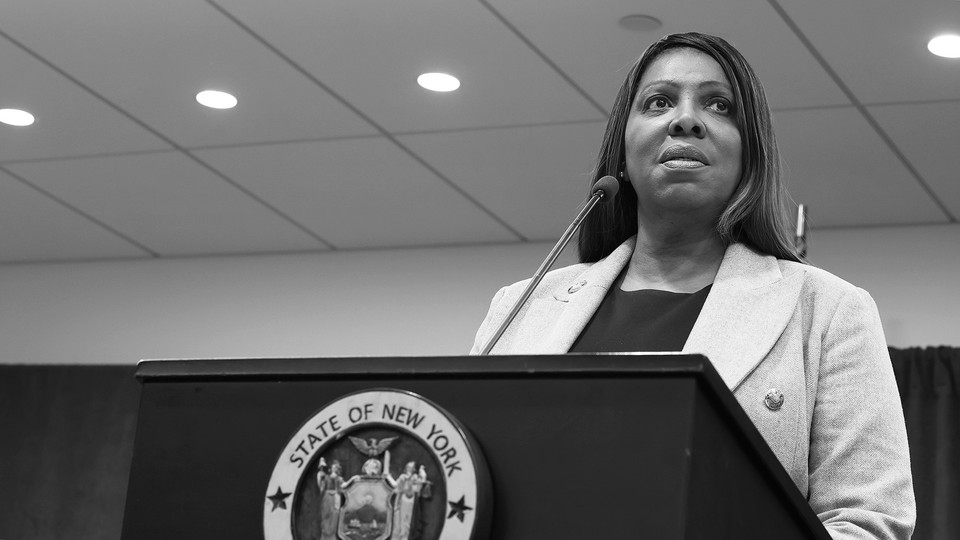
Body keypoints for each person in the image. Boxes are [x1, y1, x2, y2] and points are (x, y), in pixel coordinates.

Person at [470, 32, 915, 539]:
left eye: (719, 105)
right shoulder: (519, 306)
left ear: (751, 154)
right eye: (658, 101)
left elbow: (868, 522)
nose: (684, 119)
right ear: (622, 148)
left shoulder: (830, 310)